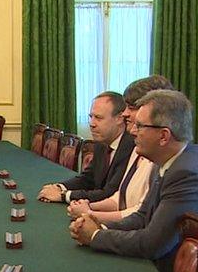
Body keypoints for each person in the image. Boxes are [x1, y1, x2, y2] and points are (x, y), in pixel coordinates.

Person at [69, 90, 198, 272]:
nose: (132, 132)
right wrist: (96, 224)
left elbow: (152, 244)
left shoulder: (187, 173)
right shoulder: (171, 161)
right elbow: (142, 216)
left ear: (164, 136)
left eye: (140, 126)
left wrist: (96, 236)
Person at [67, 75, 174, 223]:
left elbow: (142, 217)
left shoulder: (169, 163)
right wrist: (88, 208)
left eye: (131, 108)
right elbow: (120, 198)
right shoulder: (138, 146)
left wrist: (92, 219)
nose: (125, 114)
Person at [38, 91, 134, 204]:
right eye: (91, 117)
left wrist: (65, 196)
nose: (92, 124)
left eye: (98, 118)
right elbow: (88, 178)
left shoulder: (131, 147)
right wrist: (60, 187)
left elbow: (110, 193)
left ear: (119, 118)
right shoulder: (102, 142)